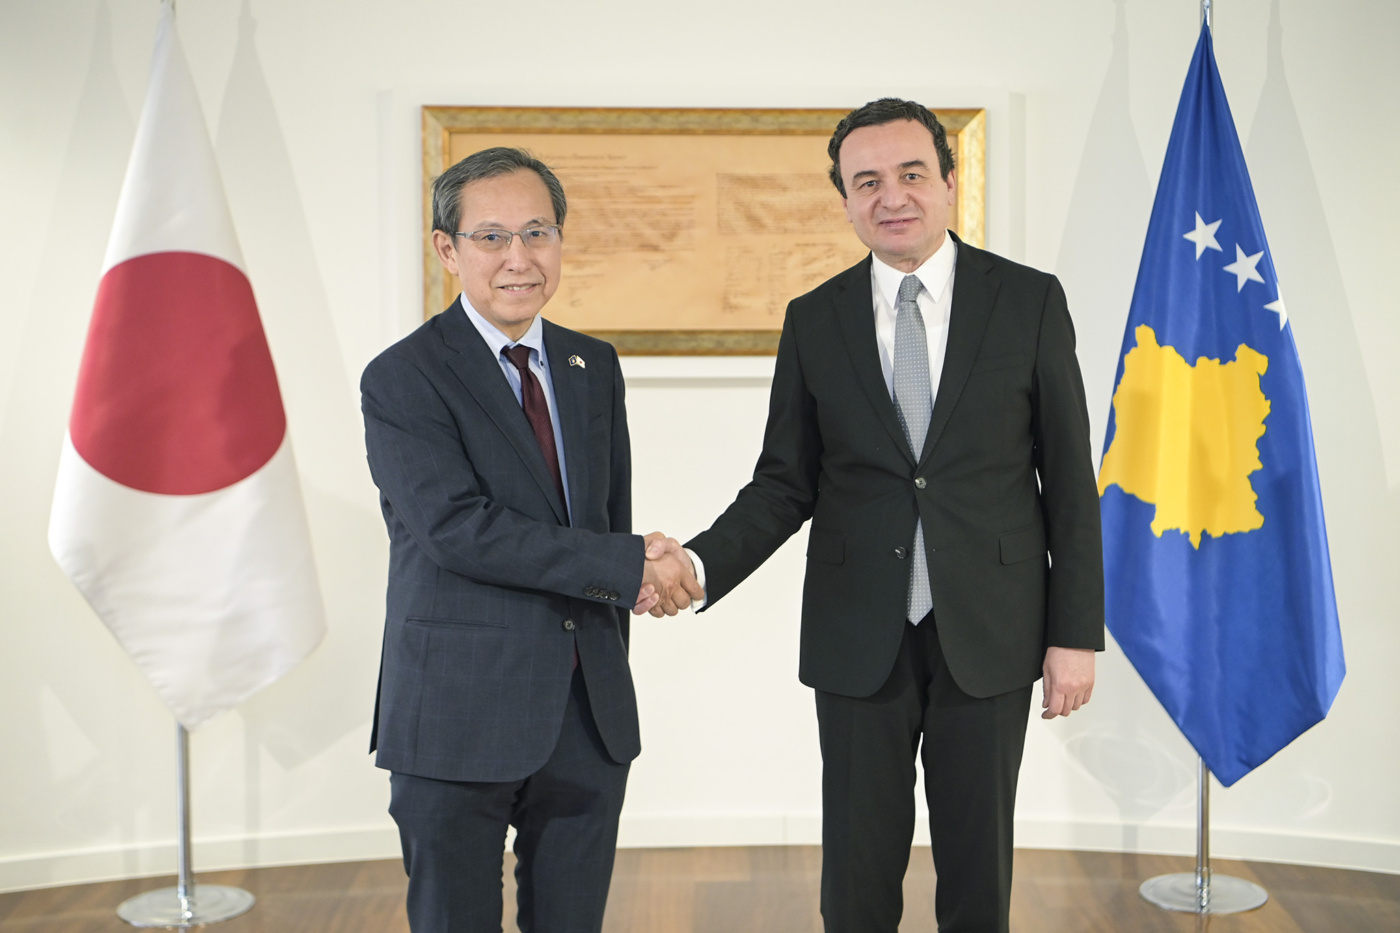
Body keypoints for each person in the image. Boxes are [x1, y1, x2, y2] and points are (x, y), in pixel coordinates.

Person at [678, 99, 1105, 933]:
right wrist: (695, 566)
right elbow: (784, 484)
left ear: (949, 181)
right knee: (857, 871)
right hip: (856, 635)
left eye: (911, 174)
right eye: (867, 181)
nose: (892, 196)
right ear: (845, 199)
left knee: (978, 869)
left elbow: (1068, 482)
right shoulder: (814, 319)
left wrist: (1075, 633)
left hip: (991, 628)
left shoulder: (1028, 302)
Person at [360, 147, 701, 933]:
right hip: (457, 713)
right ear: (448, 249)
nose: (519, 258)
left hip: (585, 712)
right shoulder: (404, 377)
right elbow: (458, 529)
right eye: (491, 237)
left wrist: (634, 572)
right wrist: (632, 563)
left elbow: (602, 516)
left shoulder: (591, 364)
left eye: (537, 232)